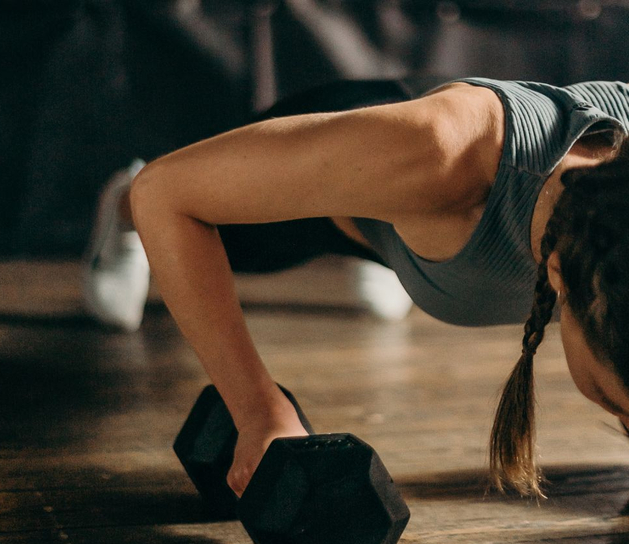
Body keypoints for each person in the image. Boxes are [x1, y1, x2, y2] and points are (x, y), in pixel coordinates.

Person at [92, 78, 629, 498]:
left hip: (420, 190)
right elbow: (166, 193)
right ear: (560, 276)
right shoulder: (444, 158)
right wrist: (258, 409)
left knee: (414, 209)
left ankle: (399, 245)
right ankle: (117, 207)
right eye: (620, 410)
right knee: (180, 209)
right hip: (380, 147)